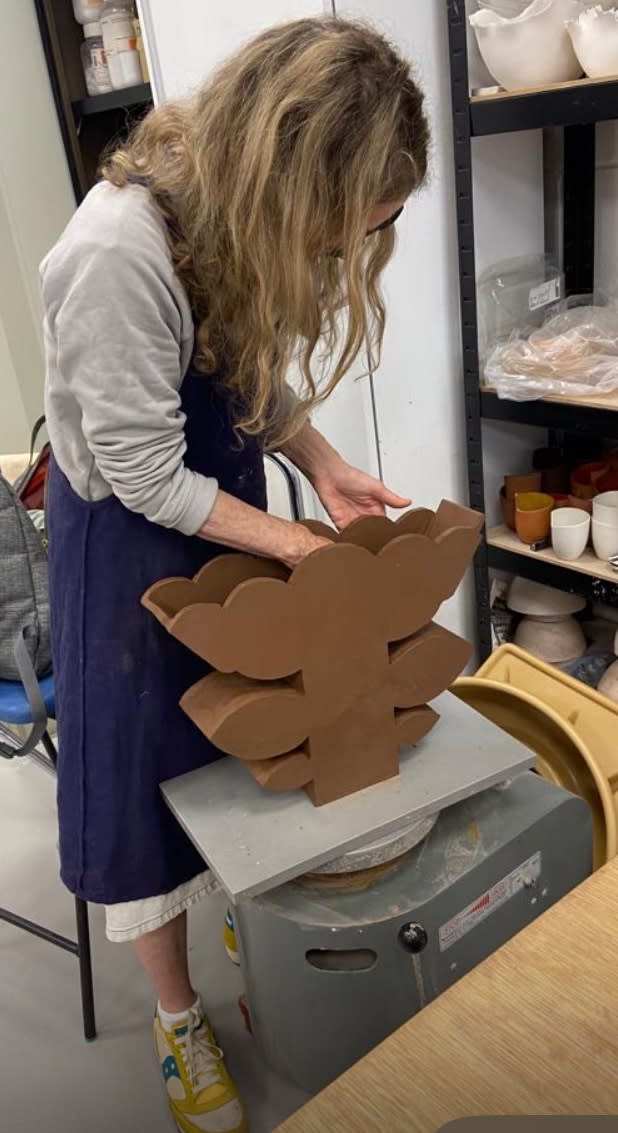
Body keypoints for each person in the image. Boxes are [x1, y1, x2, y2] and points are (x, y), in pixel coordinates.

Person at [41, 15, 428, 1133]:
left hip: (217, 506)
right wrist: (299, 548)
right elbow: (145, 473)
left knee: (240, 735)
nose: (354, 249)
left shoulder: (230, 216)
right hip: (129, 538)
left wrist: (321, 463)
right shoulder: (121, 249)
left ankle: (242, 919)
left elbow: (246, 372)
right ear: (291, 173)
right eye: (357, 223)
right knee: (146, 781)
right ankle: (177, 1017)